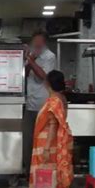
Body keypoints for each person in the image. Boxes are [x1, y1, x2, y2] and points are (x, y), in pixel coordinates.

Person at [28, 70, 74, 188]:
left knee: (49, 180)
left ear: (48, 83)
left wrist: (46, 148)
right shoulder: (61, 99)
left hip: (49, 147)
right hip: (53, 146)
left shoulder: (54, 101)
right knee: (52, 179)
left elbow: (53, 126)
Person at [22, 29, 56, 178]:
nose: (36, 46)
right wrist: (28, 61)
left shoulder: (49, 56)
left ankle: (42, 172)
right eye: (34, 43)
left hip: (44, 105)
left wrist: (31, 60)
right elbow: (23, 72)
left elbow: (44, 76)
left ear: (44, 43)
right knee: (28, 140)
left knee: (42, 141)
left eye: (39, 43)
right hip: (30, 105)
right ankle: (28, 172)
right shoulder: (30, 56)